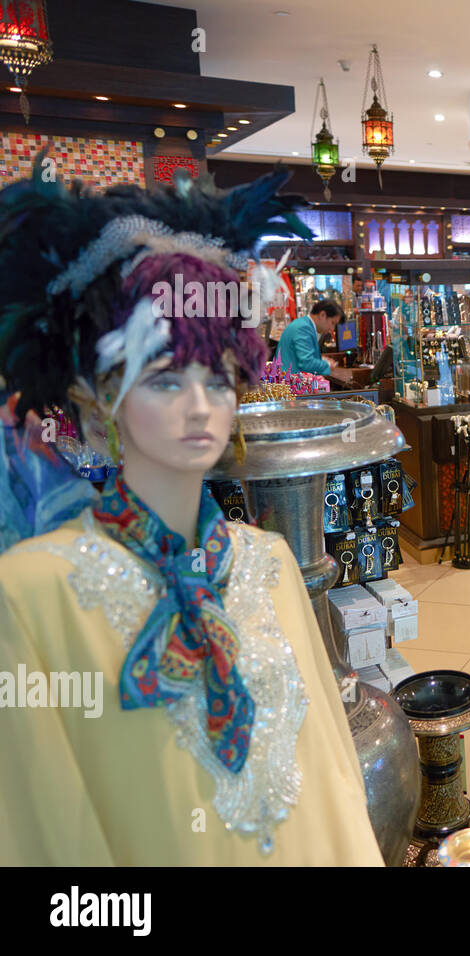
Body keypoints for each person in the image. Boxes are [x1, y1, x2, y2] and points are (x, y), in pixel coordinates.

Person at [0, 165, 383, 864]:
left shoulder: (267, 561)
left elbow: (332, 776)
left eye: (217, 378)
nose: (201, 405)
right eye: (165, 378)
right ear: (96, 395)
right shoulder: (29, 595)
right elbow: (45, 833)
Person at [277, 300, 340, 376]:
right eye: (332, 323)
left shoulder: (303, 324)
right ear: (322, 315)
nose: (332, 328)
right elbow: (306, 363)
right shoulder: (303, 328)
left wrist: (321, 360)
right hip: (291, 382)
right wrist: (328, 365)